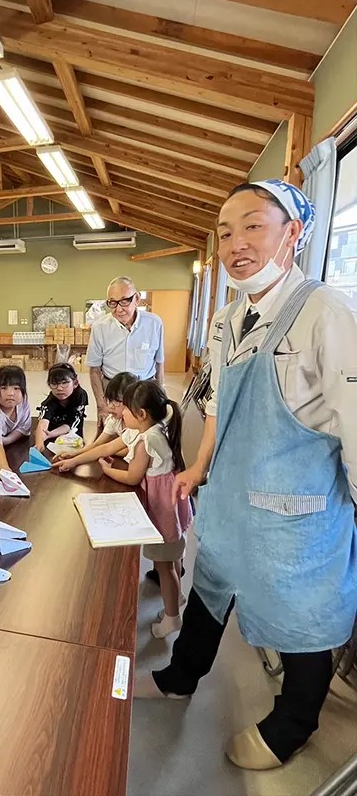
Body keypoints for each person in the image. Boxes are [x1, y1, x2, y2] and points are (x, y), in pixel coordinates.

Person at [137, 179, 357, 771]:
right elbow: (217, 405)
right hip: (233, 498)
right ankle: (182, 676)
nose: (236, 243)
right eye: (226, 230)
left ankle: (294, 723)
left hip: (297, 513)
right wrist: (200, 467)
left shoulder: (327, 314)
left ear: (294, 233)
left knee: (298, 614)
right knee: (213, 586)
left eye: (253, 225)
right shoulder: (229, 316)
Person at [98, 380, 192, 638]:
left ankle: (172, 618)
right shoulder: (164, 424)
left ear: (141, 414)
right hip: (173, 505)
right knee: (172, 561)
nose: (121, 413)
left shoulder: (146, 440)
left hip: (162, 512)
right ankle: (176, 599)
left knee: (164, 566)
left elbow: (131, 476)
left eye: (125, 408)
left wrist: (106, 470)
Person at [86, 277, 164, 431]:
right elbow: (94, 370)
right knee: (110, 441)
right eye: (112, 303)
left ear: (137, 299)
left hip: (144, 391)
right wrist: (102, 406)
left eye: (124, 301)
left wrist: (161, 397)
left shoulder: (154, 323)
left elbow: (159, 362)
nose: (118, 308)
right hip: (113, 393)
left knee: (144, 441)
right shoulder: (100, 327)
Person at [52, 372, 138, 470]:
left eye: (116, 402)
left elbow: (126, 450)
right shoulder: (114, 420)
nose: (110, 407)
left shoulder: (137, 426)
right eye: (109, 400)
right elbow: (99, 445)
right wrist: (74, 455)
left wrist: (108, 451)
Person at [34, 363, 88, 452]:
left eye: (64, 383)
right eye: (54, 384)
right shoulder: (49, 402)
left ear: (75, 383)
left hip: (73, 438)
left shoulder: (81, 396)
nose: (59, 388)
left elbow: (71, 423)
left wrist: (51, 434)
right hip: (52, 439)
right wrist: (39, 444)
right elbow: (43, 422)